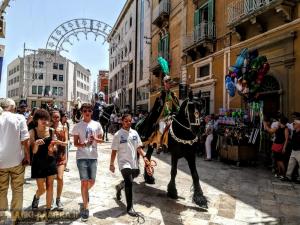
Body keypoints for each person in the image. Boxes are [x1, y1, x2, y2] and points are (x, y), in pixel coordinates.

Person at [110, 114, 147, 217]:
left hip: (133, 163)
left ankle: (119, 187)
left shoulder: (135, 133)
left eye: (130, 121)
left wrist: (144, 157)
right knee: (129, 182)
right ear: (122, 121)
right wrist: (111, 164)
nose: (128, 123)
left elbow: (139, 148)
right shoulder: (118, 134)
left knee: (134, 175)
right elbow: (114, 151)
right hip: (123, 163)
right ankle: (130, 207)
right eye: (126, 121)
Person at [72, 103, 103, 222]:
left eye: (89, 110)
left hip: (93, 156)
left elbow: (101, 140)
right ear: (82, 112)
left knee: (92, 181)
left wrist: (95, 139)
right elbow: (75, 143)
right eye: (85, 110)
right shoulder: (77, 126)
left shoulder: (97, 125)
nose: (87, 112)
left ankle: (84, 193)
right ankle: (86, 207)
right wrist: (84, 144)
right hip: (81, 157)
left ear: (92, 112)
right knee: (84, 182)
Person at [0, 98, 30, 223]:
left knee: (1, 190)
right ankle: (15, 218)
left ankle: (2, 218)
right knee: (17, 189)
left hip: (1, 161)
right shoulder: (19, 118)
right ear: (12, 107)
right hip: (17, 160)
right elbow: (25, 139)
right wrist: (27, 156)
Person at [136, 75, 179, 151]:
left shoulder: (173, 94)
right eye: (168, 83)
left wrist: (178, 112)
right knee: (162, 126)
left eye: (170, 83)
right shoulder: (160, 94)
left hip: (171, 115)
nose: (170, 85)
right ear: (165, 83)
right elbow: (156, 106)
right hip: (161, 116)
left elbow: (177, 105)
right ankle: (159, 145)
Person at [30, 109, 58, 212]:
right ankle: (37, 196)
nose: (44, 121)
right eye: (41, 119)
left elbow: (55, 146)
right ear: (36, 120)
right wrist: (36, 144)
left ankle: (48, 209)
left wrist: (53, 148)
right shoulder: (32, 131)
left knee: (50, 185)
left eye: (46, 119)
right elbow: (33, 151)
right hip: (38, 162)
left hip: (50, 160)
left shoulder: (51, 130)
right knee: (42, 189)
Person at [51, 110, 68, 210]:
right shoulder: (49, 128)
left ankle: (58, 199)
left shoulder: (64, 128)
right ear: (51, 118)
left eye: (57, 117)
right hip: (51, 156)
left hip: (61, 155)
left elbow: (66, 143)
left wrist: (58, 142)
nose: (56, 119)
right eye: (54, 117)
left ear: (60, 117)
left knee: (60, 178)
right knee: (50, 180)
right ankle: (51, 198)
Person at [283, 118, 300, 182]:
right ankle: (288, 176)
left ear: (298, 125)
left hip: (299, 151)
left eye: (294, 124)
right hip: (294, 150)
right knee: (291, 164)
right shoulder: (295, 131)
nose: (293, 125)